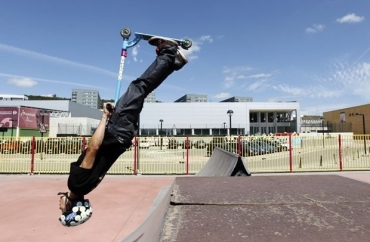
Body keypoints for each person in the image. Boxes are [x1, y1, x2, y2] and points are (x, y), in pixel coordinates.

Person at [58, 37, 188, 227]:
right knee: (138, 87)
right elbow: (93, 148)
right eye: (63, 211)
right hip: (117, 129)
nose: (60, 207)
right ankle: (169, 52)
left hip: (122, 136)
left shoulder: (86, 187)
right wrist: (105, 117)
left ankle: (173, 63)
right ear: (72, 206)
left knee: (141, 90)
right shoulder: (75, 184)